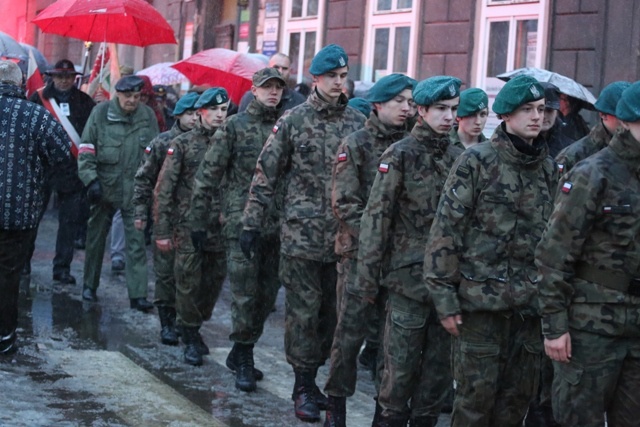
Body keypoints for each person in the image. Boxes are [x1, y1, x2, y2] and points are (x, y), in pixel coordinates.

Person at [423, 75, 559, 427]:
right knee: (473, 407)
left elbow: (555, 245)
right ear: (507, 116)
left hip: (527, 312)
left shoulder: (547, 168)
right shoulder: (477, 162)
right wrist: (445, 299)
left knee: (514, 407)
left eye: (541, 109)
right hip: (481, 309)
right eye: (526, 110)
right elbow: (446, 231)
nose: (536, 117)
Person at [241, 44, 366, 422]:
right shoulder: (293, 121)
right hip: (300, 237)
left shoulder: (356, 123)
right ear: (316, 79)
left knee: (331, 315)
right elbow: (266, 174)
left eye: (343, 78)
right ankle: (303, 386)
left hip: (341, 239)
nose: (338, 84)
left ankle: (320, 384)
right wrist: (251, 222)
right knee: (303, 315)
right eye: (332, 77)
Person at [353, 76, 462, 427]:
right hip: (406, 283)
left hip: (447, 287)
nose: (449, 117)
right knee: (397, 375)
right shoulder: (400, 154)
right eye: (441, 109)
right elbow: (376, 221)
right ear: (422, 110)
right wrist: (367, 281)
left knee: (435, 381)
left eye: (454, 110)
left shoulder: (461, 158)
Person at [536, 80, 640, 427]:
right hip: (591, 329)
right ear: (629, 121)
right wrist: (554, 327)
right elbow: (554, 255)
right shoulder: (592, 173)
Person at [323, 73, 417, 427]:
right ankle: (336, 407)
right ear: (377, 105)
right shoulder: (357, 143)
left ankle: (384, 411)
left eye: (410, 102)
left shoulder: (412, 145)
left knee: (389, 343)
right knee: (348, 335)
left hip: (399, 261)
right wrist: (375, 241)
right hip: (358, 257)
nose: (406, 108)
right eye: (399, 102)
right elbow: (345, 203)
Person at [190, 68, 285, 389]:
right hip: (240, 222)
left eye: (278, 88)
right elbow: (208, 175)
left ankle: (242, 348)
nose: (273, 93)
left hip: (278, 225)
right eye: (267, 87)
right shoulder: (234, 126)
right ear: (254, 90)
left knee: (267, 294)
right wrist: (199, 220)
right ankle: (244, 356)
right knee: (244, 294)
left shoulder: (286, 126)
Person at [0, 60, 74, 355]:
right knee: (8, 276)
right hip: (20, 214)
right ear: (20, 86)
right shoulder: (37, 117)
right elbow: (63, 158)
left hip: (20, 213)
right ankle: (5, 339)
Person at [153, 87, 229, 366]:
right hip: (186, 225)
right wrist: (161, 230)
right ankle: (191, 334)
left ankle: (196, 321)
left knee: (213, 281)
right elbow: (163, 189)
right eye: (215, 110)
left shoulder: (227, 143)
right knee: (187, 281)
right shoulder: (183, 144)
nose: (221, 115)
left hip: (218, 226)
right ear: (201, 113)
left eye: (224, 110)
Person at [78, 75, 159, 310]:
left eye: (137, 96)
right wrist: (90, 180)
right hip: (104, 187)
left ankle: (138, 294)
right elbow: (86, 148)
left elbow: (154, 152)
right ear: (118, 94)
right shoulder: (101, 114)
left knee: (136, 242)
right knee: (95, 240)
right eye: (128, 96)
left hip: (135, 190)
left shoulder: (147, 116)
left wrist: (152, 185)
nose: (133, 101)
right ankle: (89, 286)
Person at [133, 91, 200, 346]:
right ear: (178, 116)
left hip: (195, 220)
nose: (194, 119)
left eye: (198, 113)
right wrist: (141, 213)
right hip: (167, 219)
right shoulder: (162, 143)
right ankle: (167, 322)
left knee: (192, 277)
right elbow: (144, 179)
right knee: (166, 274)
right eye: (189, 114)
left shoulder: (209, 142)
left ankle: (188, 324)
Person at [26, 58, 96, 285]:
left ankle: (62, 269)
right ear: (52, 77)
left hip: (71, 171)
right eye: (60, 76)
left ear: (74, 78)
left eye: (68, 77)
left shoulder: (85, 102)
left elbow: (89, 136)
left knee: (68, 224)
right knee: (31, 220)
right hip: (43, 168)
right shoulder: (38, 98)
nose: (64, 80)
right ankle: (24, 262)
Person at [555, 81, 631, 174]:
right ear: (603, 114)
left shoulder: (633, 150)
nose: (630, 122)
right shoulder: (574, 156)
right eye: (622, 116)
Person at [237, 52, 306, 112]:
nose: (280, 71)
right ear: (267, 67)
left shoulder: (299, 101)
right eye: (276, 67)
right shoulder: (250, 97)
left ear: (290, 71)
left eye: (284, 68)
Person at [538, 82, 574, 158]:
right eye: (540, 110)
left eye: (549, 110)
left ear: (557, 112)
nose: (544, 116)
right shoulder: (516, 144)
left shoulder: (568, 148)